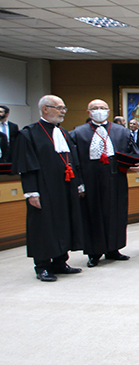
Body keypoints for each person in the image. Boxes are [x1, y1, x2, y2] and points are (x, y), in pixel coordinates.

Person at [13, 95, 83, 282]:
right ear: (45, 109)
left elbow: (73, 161)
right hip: (43, 188)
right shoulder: (28, 134)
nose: (62, 112)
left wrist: (78, 183)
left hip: (65, 186)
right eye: (59, 108)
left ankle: (60, 261)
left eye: (64, 108)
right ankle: (42, 265)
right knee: (43, 226)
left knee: (64, 222)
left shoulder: (64, 133)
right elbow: (26, 166)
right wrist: (31, 192)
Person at [71, 99, 139, 267]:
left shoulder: (121, 131)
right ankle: (94, 252)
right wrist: (79, 183)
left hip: (115, 179)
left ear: (109, 111)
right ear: (88, 112)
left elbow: (134, 153)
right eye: (95, 108)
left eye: (102, 108)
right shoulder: (77, 133)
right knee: (92, 214)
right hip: (90, 181)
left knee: (116, 213)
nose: (99, 111)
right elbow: (73, 161)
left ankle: (114, 249)